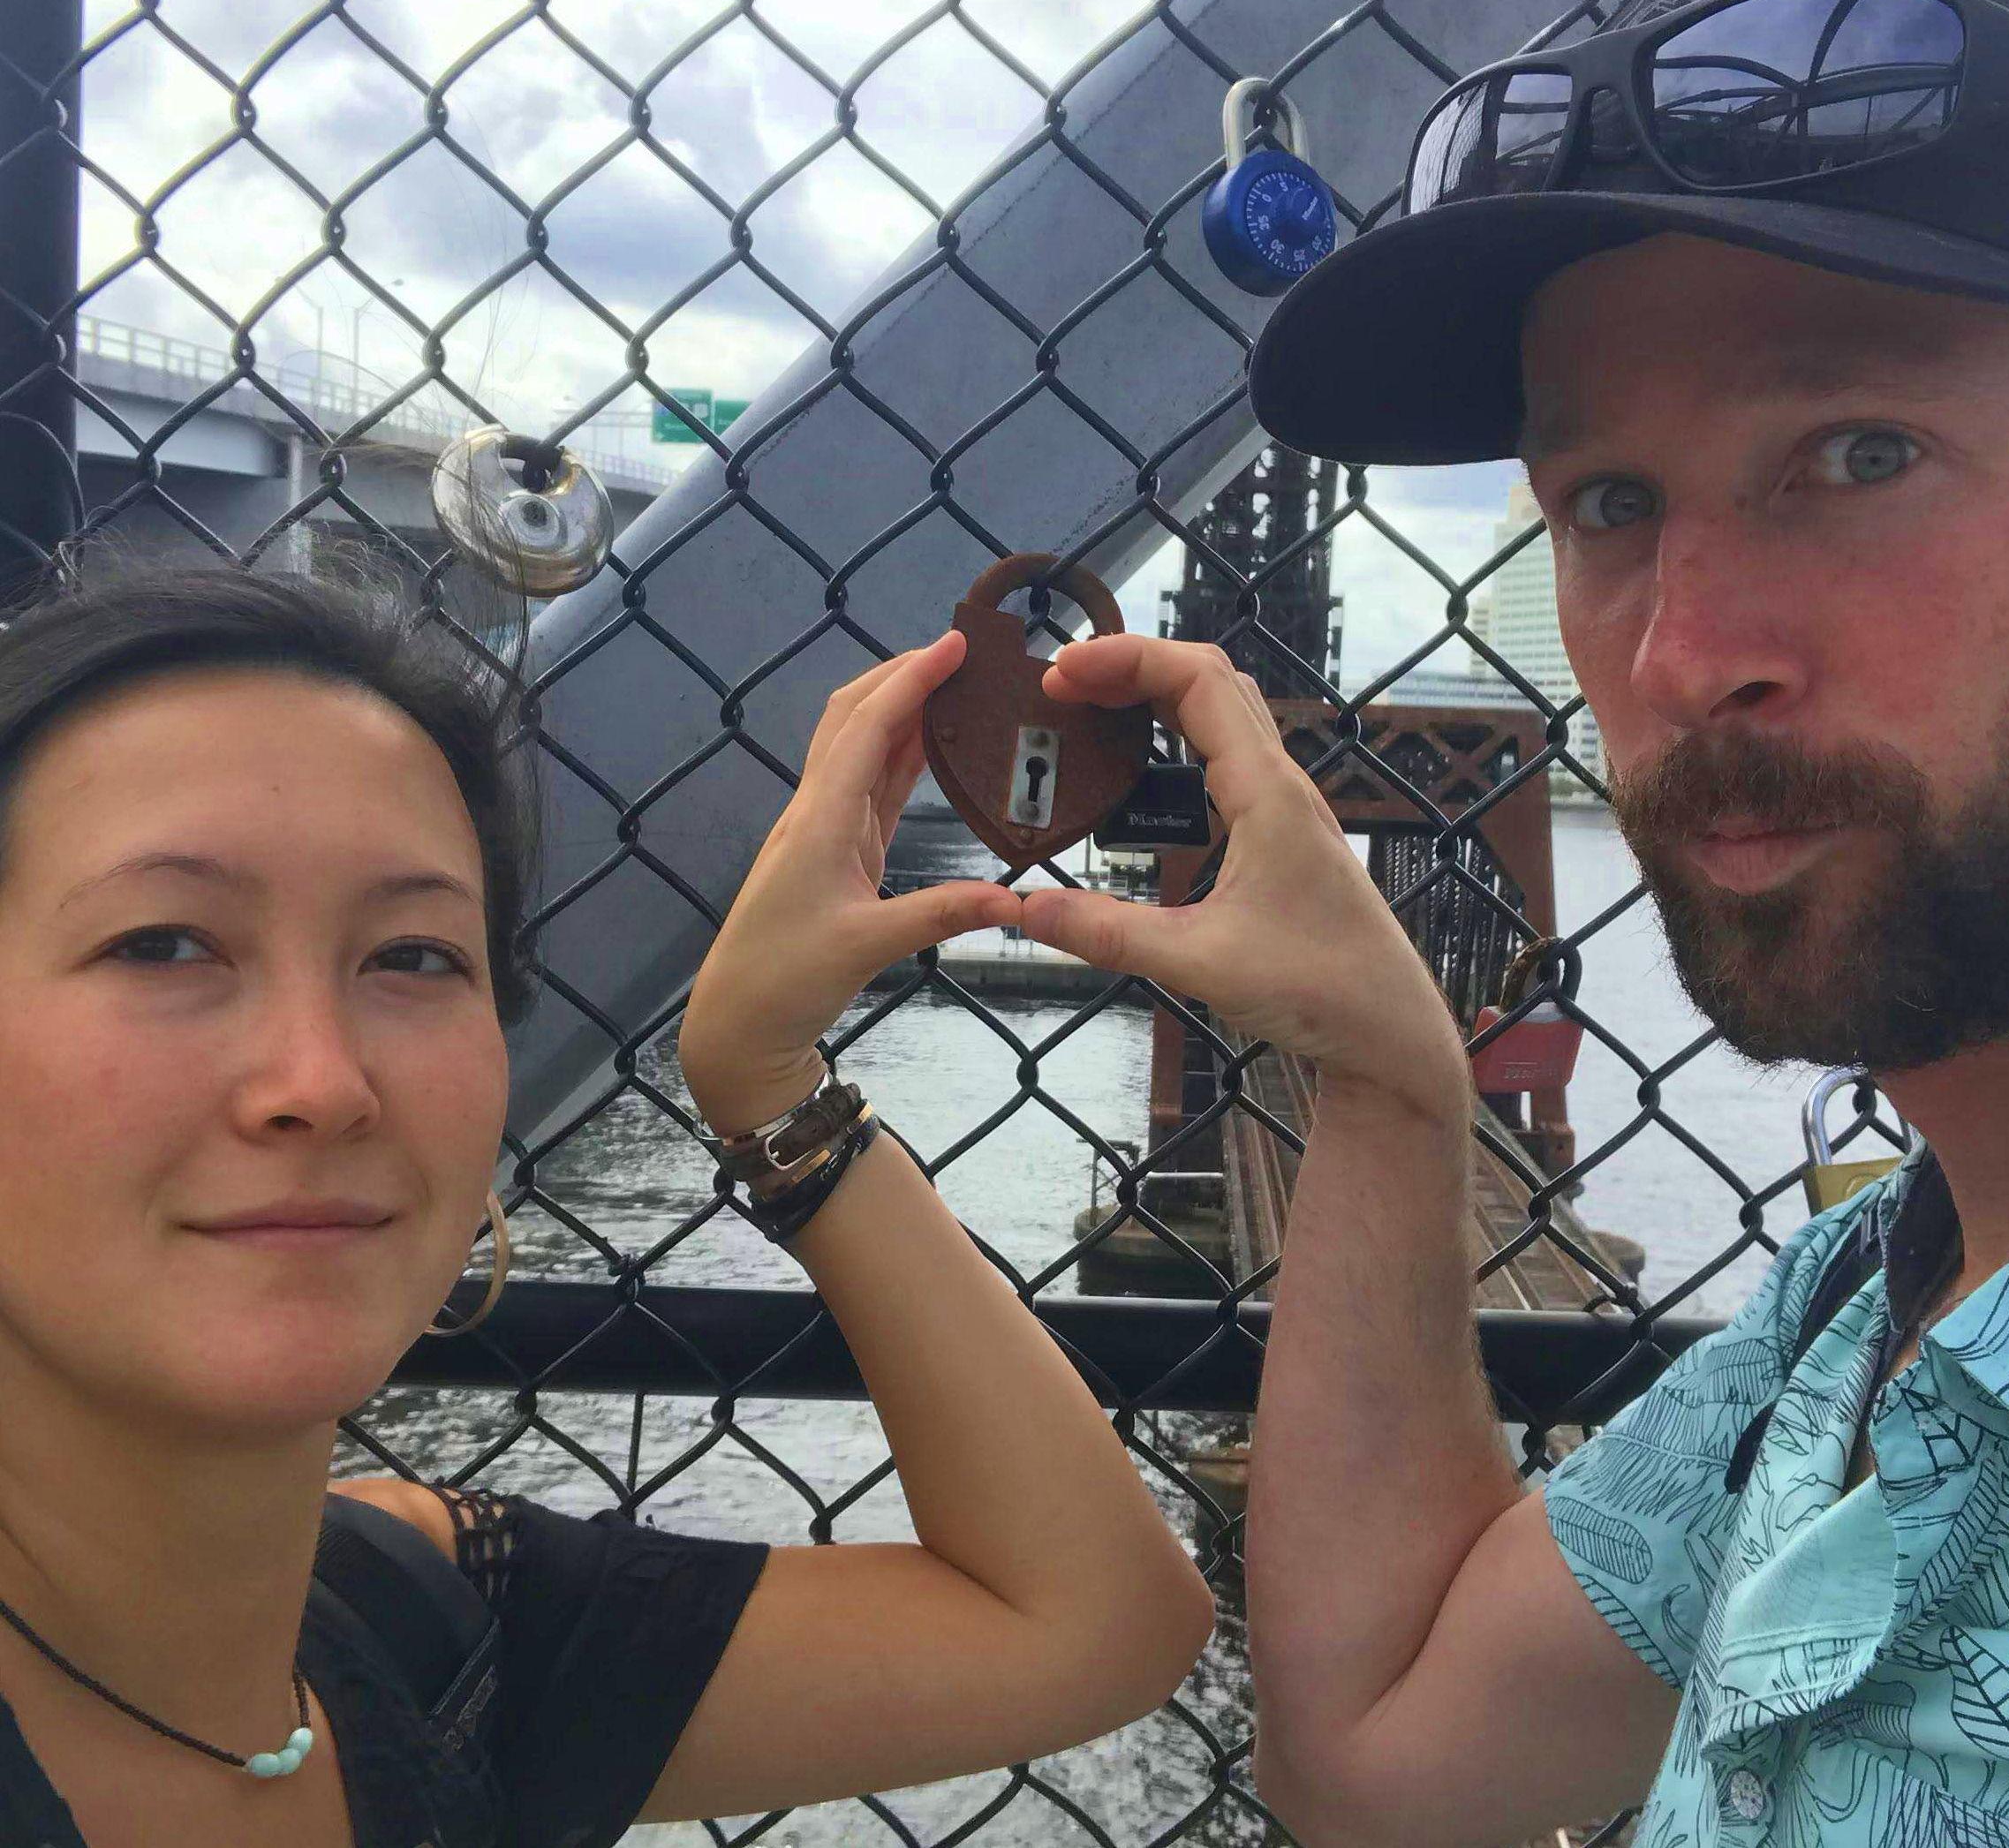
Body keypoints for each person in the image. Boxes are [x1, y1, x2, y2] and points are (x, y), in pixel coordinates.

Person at [1179, 0, 2009, 1846]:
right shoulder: (1864, 1302)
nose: (1676, 653)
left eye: (1860, 452)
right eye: (1609, 502)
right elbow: (1384, 1755)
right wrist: (1384, 1067)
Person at [0, 548, 1212, 1848]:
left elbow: (1092, 1624)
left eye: (414, 956)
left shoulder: (426, 1633)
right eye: (163, 944)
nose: (322, 1080)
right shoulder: (437, 1645)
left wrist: (767, 1083)